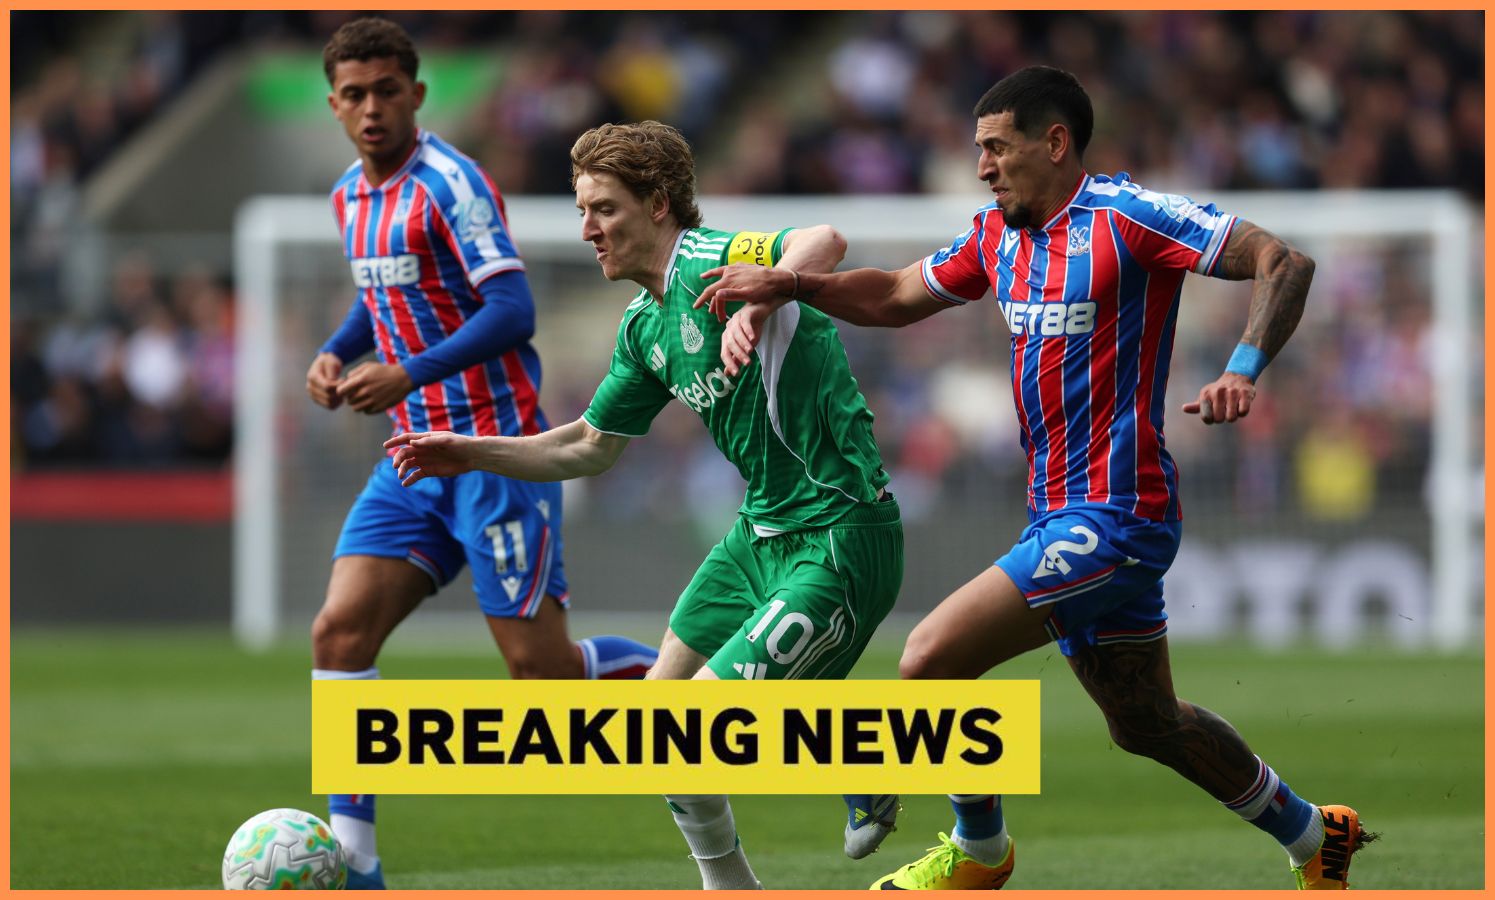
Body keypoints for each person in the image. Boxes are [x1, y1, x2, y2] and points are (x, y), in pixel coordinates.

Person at [696, 65, 1374, 891]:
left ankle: (980, 852)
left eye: (995, 147)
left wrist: (1241, 367)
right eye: (977, 150)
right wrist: (793, 282)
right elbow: (900, 293)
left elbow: (1282, 261)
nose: (982, 165)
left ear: (1054, 143)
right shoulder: (995, 236)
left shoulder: (1129, 216)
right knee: (1145, 724)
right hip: (1056, 514)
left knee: (929, 659)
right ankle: (1313, 836)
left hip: (1118, 513)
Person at [384, 120, 905, 889]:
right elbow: (588, 447)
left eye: (605, 209)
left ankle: (867, 756)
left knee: (695, 721)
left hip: (838, 532)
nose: (588, 229)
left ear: (659, 205)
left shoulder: (708, 260)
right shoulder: (641, 326)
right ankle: (728, 883)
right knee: (657, 721)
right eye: (582, 212)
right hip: (758, 534)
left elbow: (822, 238)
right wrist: (469, 451)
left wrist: (762, 298)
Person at [309, 19, 657, 889]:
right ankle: (355, 866)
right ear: (333, 104)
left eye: (387, 89)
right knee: (339, 632)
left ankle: (691, 677)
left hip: (490, 454)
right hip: (408, 460)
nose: (372, 108)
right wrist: (338, 350)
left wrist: (407, 372)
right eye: (354, 94)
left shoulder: (452, 186)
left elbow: (511, 311)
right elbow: (381, 301)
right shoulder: (350, 195)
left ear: (417, 94)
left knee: (539, 678)